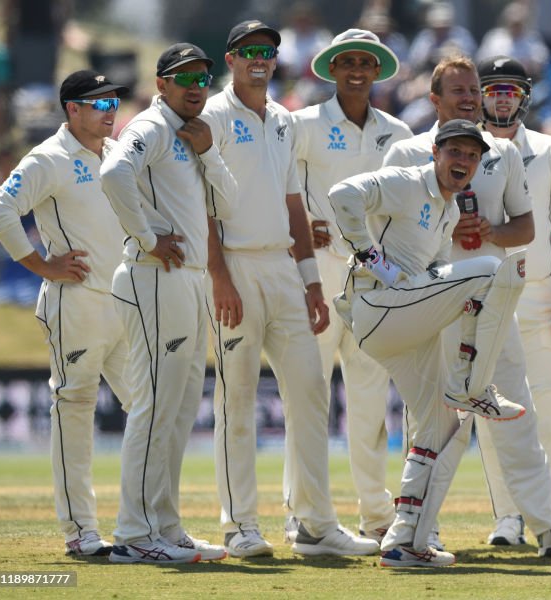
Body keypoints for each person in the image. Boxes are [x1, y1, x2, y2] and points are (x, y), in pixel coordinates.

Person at [200, 20, 378, 559]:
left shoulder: (282, 121)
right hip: (235, 266)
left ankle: (316, 525)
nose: (260, 59)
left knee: (310, 391)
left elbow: (294, 205)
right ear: (231, 59)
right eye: (250, 51)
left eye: (268, 52)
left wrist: (310, 283)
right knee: (237, 397)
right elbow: (203, 205)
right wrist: (220, 277)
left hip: (284, 269)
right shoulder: (212, 116)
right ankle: (240, 526)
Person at [383, 55, 551, 556]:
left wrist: (490, 231)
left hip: (491, 304)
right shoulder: (405, 152)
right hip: (434, 303)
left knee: (517, 413)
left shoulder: (503, 153)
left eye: (474, 89)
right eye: (459, 90)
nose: (470, 97)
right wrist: (445, 230)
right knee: (439, 421)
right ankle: (412, 531)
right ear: (435, 99)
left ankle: (547, 526)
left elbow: (526, 229)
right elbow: (388, 232)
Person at [328, 119, 528, 566]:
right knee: (496, 269)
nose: (463, 161)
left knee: (442, 425)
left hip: (405, 318)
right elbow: (342, 195)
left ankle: (405, 542)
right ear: (435, 152)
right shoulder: (405, 181)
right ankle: (474, 386)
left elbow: (437, 282)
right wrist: (371, 257)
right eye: (454, 152)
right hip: (377, 306)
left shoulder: (450, 211)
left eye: (471, 156)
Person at [100, 42, 237, 564]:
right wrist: (147, 236)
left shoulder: (193, 135)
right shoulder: (152, 126)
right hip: (153, 275)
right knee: (155, 407)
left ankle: (165, 525)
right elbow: (113, 173)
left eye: (202, 77)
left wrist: (208, 151)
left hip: (186, 281)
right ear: (161, 84)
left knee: (177, 412)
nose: (195, 86)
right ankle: (133, 534)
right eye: (184, 78)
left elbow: (228, 202)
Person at [0, 70, 130, 557]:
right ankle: (81, 532)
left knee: (153, 410)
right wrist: (41, 265)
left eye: (112, 102)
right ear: (72, 109)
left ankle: (149, 523)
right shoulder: (49, 157)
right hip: (78, 303)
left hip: (125, 303)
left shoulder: (113, 154)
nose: (109, 111)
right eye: (97, 103)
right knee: (75, 411)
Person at [290, 28, 412, 544]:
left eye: (366, 62)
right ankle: (305, 516)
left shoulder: (398, 133)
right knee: (307, 399)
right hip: (318, 271)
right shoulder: (304, 125)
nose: (357, 70)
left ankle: (376, 515)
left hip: (374, 281)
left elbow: (406, 204)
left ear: (379, 70)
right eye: (348, 62)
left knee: (369, 404)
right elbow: (284, 190)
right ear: (333, 69)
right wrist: (300, 236)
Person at [475, 55, 551, 542]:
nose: (502, 98)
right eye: (494, 89)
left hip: (539, 292)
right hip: (481, 293)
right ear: (480, 95)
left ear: (525, 96)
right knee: (491, 408)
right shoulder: (462, 149)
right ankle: (508, 516)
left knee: (548, 404)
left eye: (511, 90)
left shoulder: (550, 149)